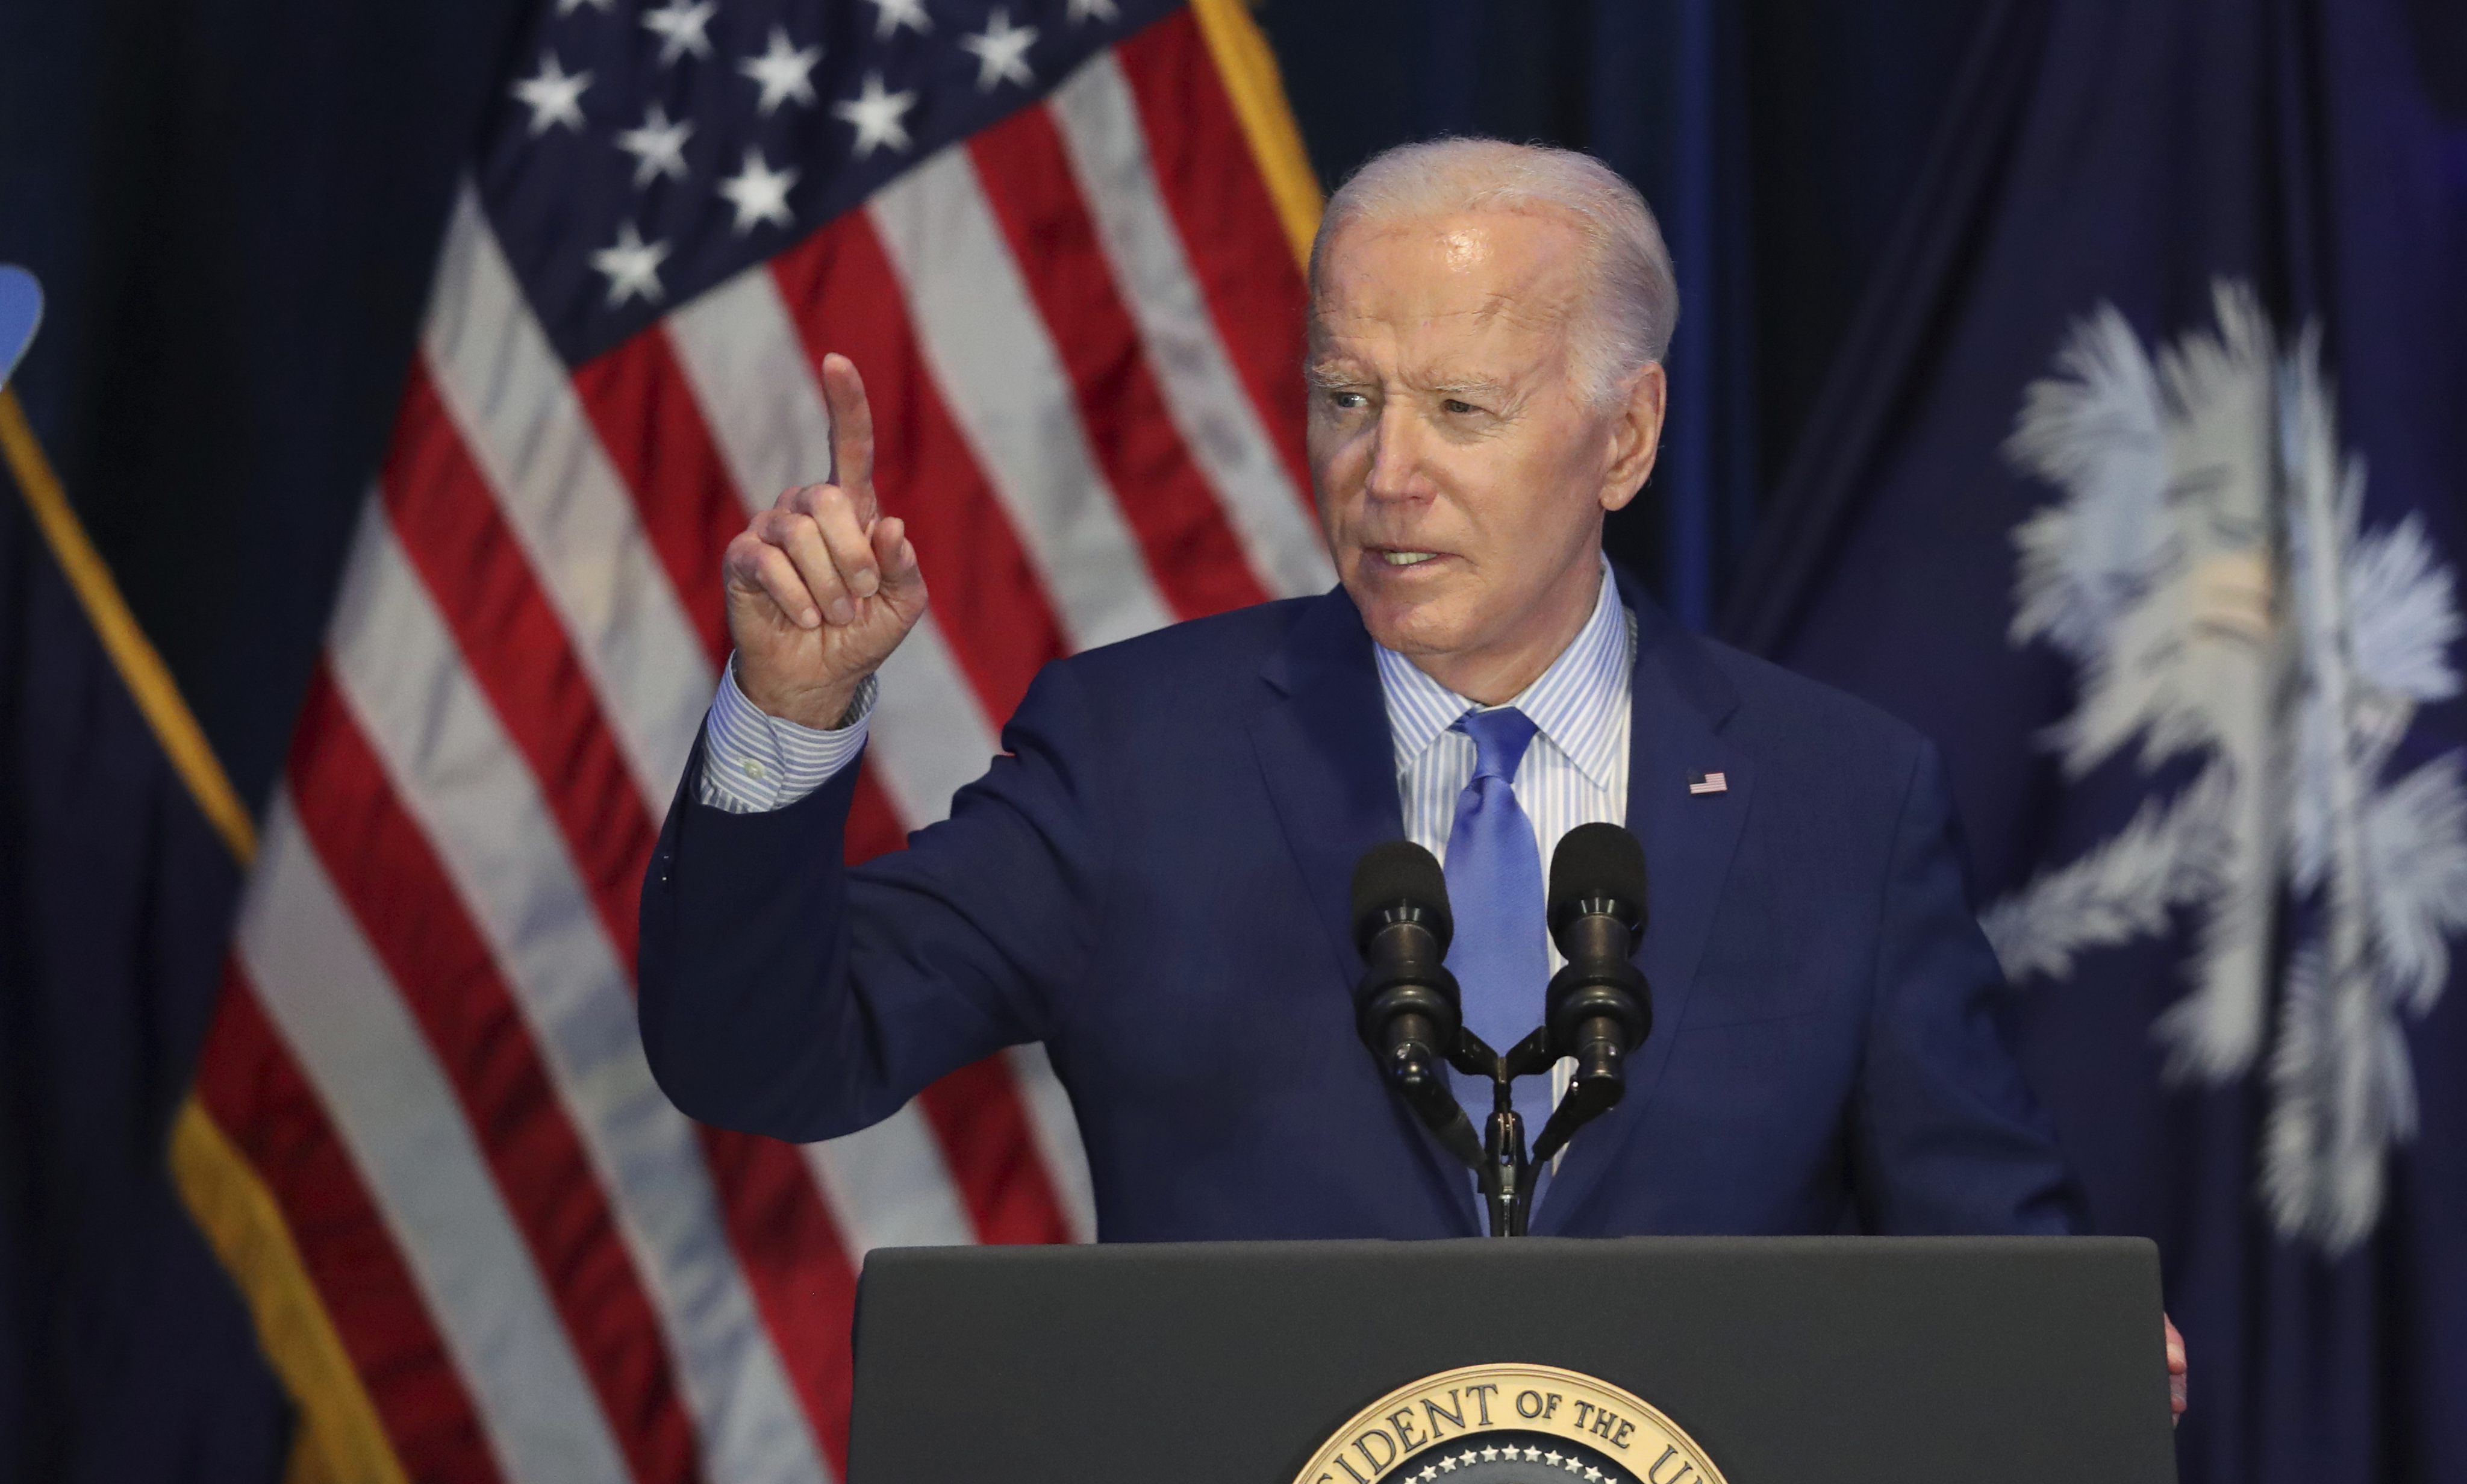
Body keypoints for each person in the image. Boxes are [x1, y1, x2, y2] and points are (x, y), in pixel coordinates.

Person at [635, 138, 2185, 1411]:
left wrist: (2075, 1355)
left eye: (1461, 410)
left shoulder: (1840, 797)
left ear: (1625, 436)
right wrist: (789, 711)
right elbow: (765, 1053)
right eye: (1346, 397)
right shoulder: (1136, 759)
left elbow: (1992, 1262)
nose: (1386, 476)